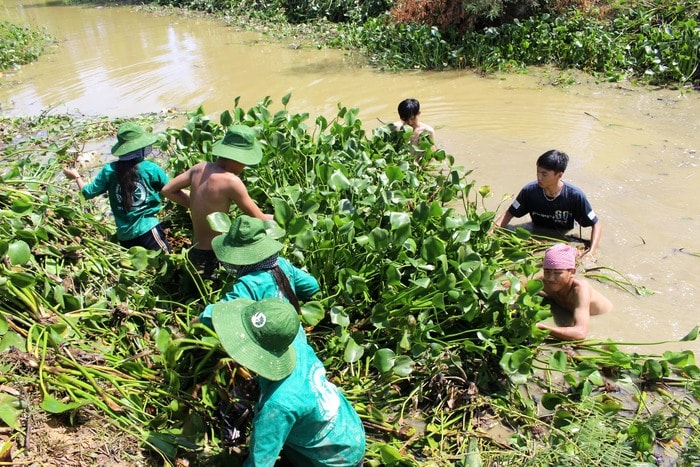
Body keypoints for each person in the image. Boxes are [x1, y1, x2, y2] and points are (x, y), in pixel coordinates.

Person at [211, 297, 366, 466]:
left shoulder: (277, 407)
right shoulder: (294, 342)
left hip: (334, 459)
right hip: (347, 429)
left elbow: (259, 463)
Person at [161, 124, 274, 278]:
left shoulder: (198, 169)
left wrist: (195, 204)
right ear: (237, 157)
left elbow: (167, 190)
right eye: (244, 161)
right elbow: (258, 217)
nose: (245, 165)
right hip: (215, 255)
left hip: (194, 253)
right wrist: (284, 218)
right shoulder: (231, 181)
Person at [196, 214, 319, 329]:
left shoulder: (248, 284)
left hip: (268, 347)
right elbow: (312, 285)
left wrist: (195, 323)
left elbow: (219, 316)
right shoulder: (281, 263)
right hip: (298, 340)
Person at [63, 122, 171, 252]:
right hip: (148, 230)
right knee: (169, 261)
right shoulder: (151, 168)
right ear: (140, 148)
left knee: (140, 271)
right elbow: (171, 190)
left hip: (125, 237)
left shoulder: (109, 170)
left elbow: (87, 192)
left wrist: (76, 176)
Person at [495, 149, 602, 257]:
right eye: (538, 172)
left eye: (544, 174)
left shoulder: (575, 196)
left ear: (559, 175)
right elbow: (509, 214)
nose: (539, 177)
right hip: (536, 230)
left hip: (563, 235)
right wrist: (492, 232)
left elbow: (596, 225)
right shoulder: (529, 191)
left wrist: (591, 253)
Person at [535, 243, 613, 341]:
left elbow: (580, 333)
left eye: (558, 273)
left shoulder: (580, 290)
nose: (551, 278)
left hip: (605, 318)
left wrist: (542, 327)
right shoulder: (545, 281)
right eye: (547, 271)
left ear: (572, 272)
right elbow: (518, 285)